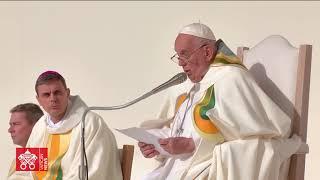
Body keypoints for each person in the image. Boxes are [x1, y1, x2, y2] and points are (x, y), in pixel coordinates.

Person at [138, 23, 301, 180]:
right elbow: (182, 132)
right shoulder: (192, 86)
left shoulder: (231, 79)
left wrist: (192, 146)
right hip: (180, 169)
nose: (180, 63)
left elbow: (254, 142)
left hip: (207, 170)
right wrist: (157, 143)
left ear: (207, 52)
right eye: (178, 56)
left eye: (185, 54)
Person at [8, 71, 122, 180]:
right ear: (39, 100)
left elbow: (91, 174)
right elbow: (25, 172)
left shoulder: (89, 124)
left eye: (57, 92)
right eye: (46, 95)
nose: (53, 99)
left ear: (67, 93)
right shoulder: (40, 127)